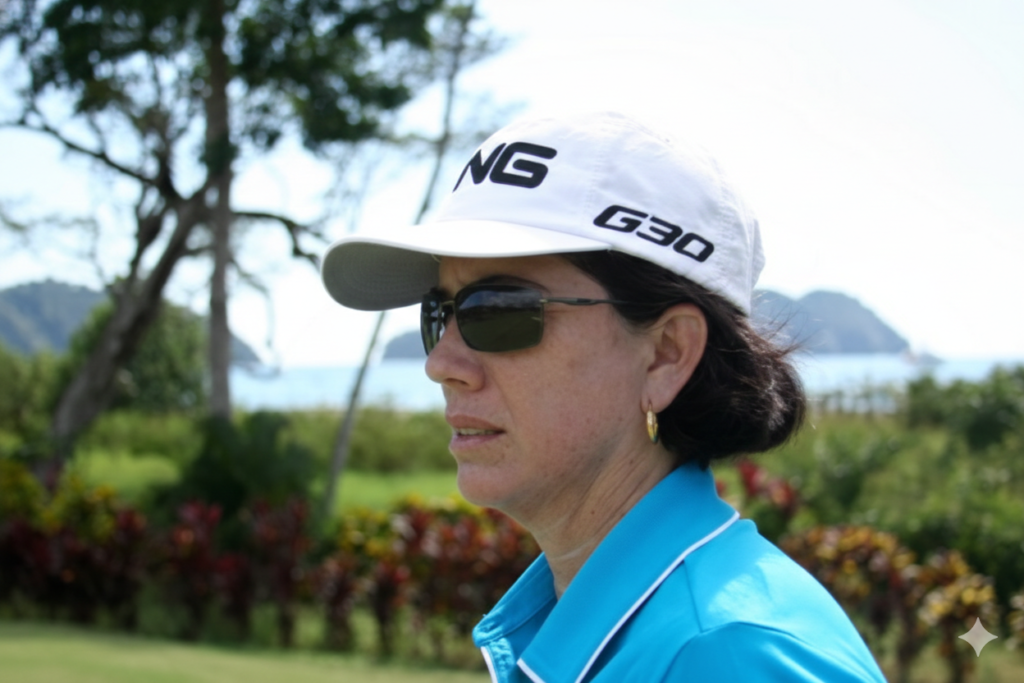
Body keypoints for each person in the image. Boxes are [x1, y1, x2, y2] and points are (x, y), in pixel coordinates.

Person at [320, 111, 887, 683]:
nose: (441, 364)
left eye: (497, 311)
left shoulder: (726, 656)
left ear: (666, 354)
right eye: (439, 313)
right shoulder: (627, 626)